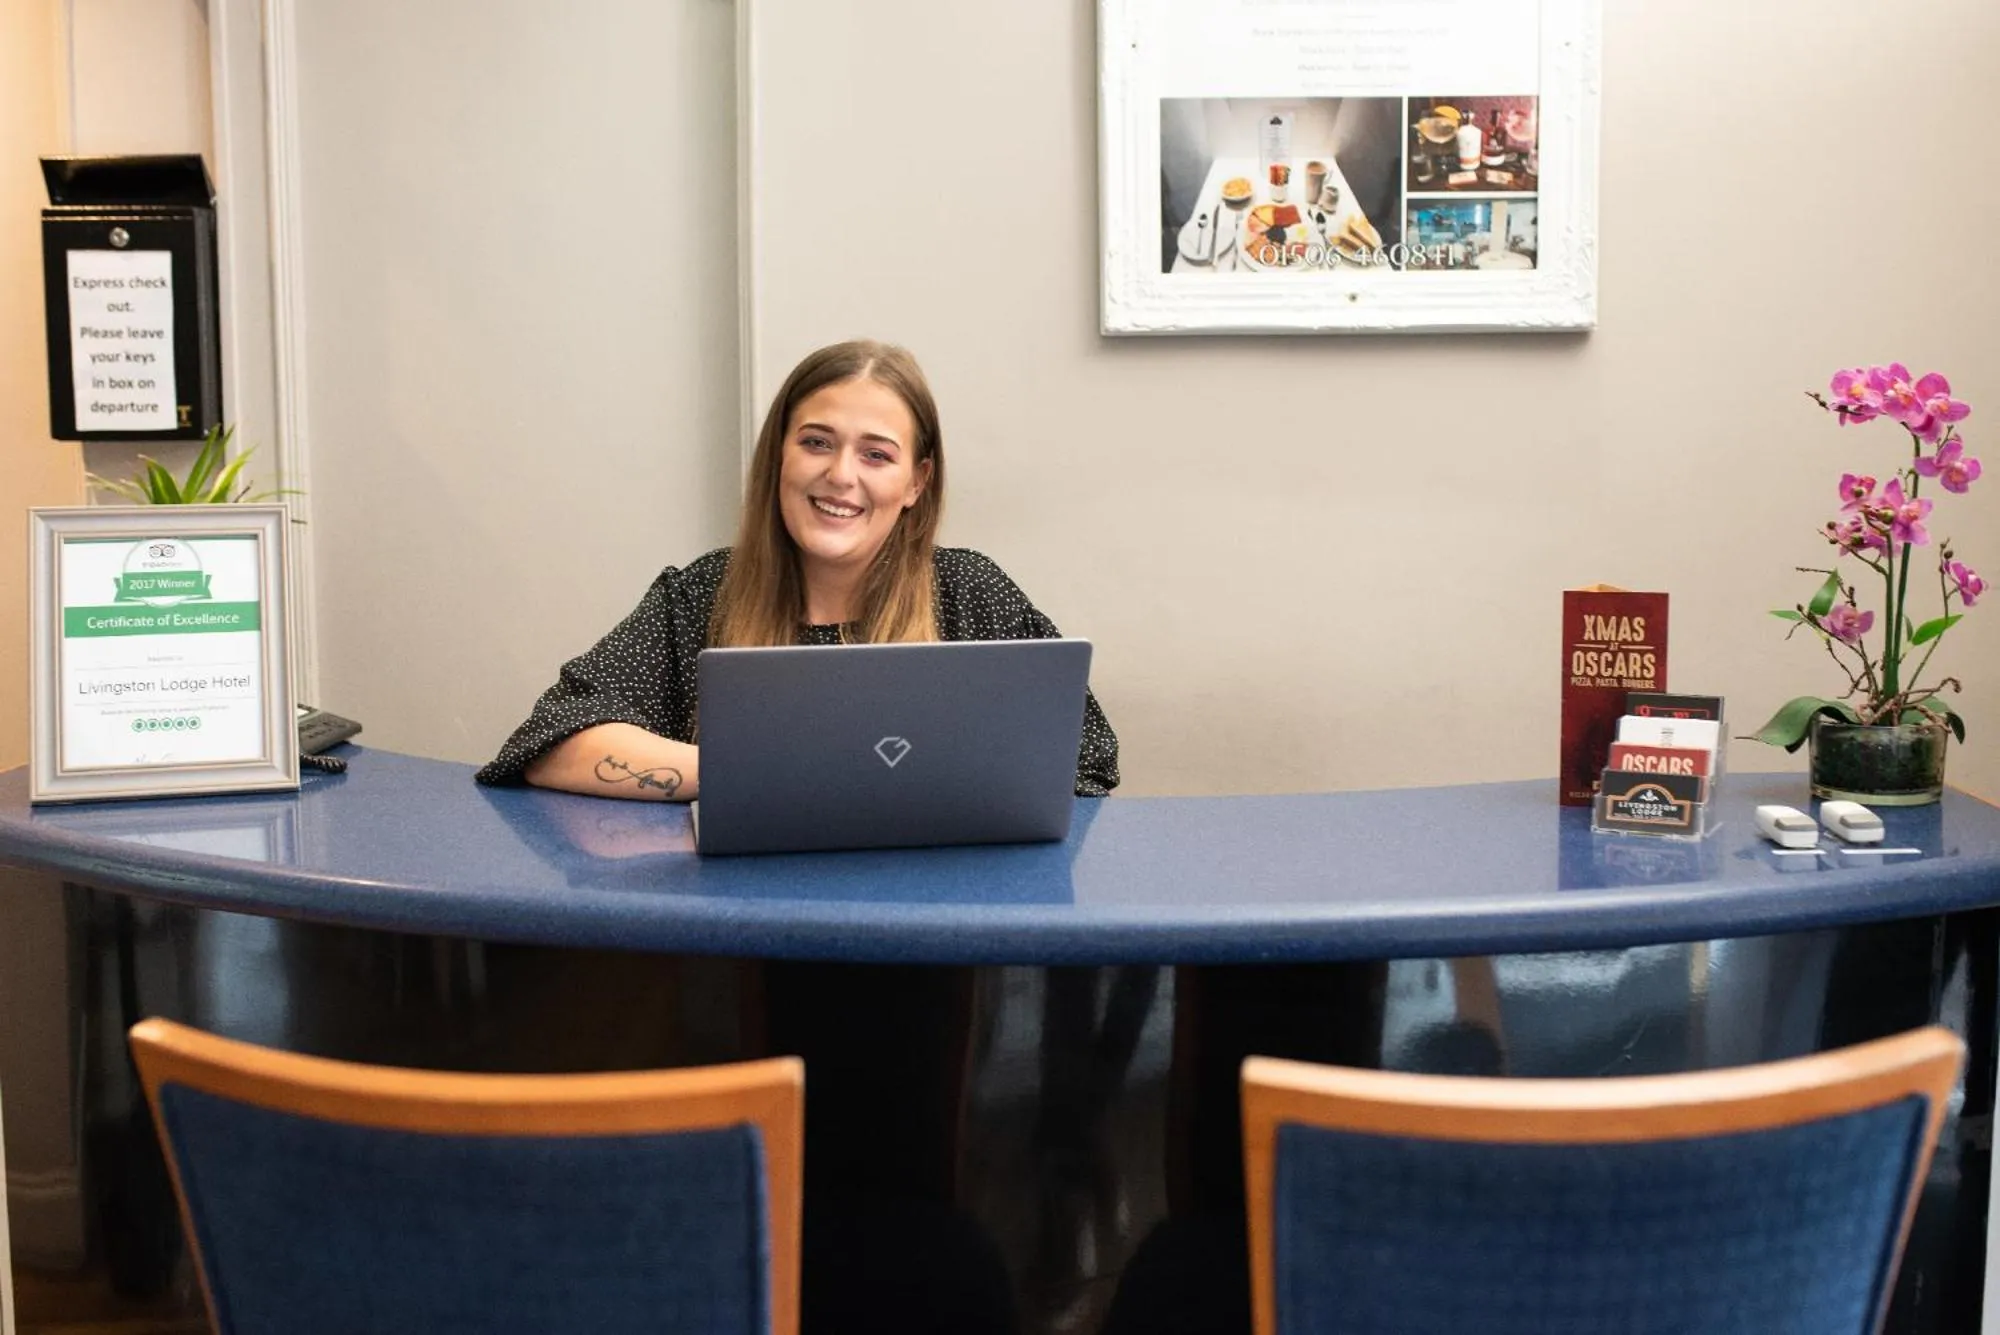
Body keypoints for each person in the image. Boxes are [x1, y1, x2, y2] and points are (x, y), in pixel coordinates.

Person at [476, 337, 1118, 800]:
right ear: (777, 455)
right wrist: (773, 775)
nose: (840, 476)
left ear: (917, 481)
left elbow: (1084, 759)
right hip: (736, 932)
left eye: (876, 455)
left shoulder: (969, 594)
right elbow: (552, 742)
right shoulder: (701, 595)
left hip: (931, 928)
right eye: (816, 442)